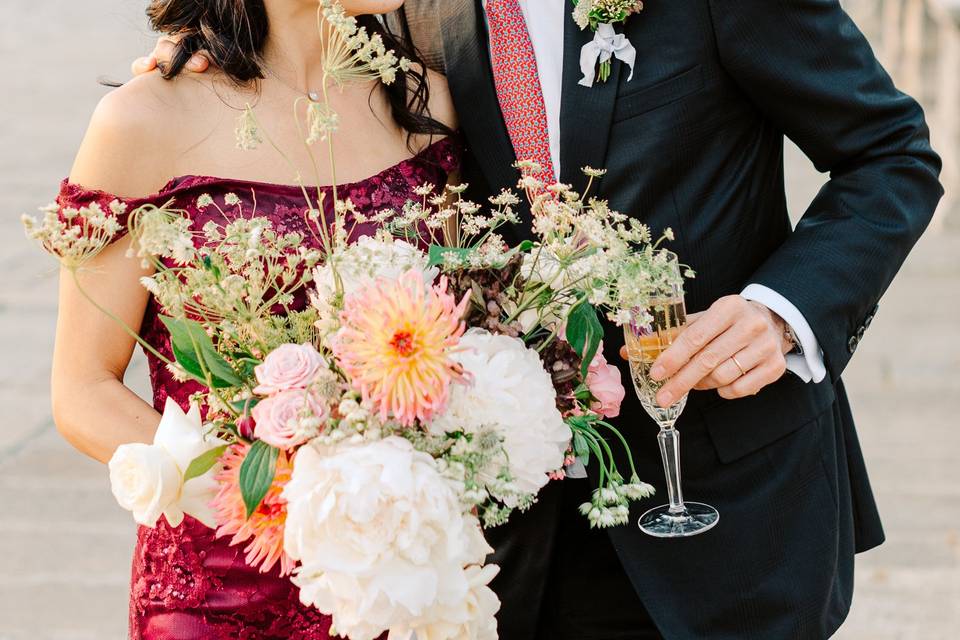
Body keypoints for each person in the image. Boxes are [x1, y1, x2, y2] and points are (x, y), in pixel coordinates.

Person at [142, 0, 944, 638]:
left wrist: (782, 314)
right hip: (516, 542)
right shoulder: (409, 11)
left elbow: (890, 151)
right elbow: (301, 59)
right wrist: (209, 62)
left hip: (723, 509)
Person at [52, 1, 458, 637]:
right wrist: (271, 491)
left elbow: (456, 333)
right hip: (220, 592)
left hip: (397, 583)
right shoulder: (144, 118)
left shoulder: (421, 98)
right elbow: (82, 391)